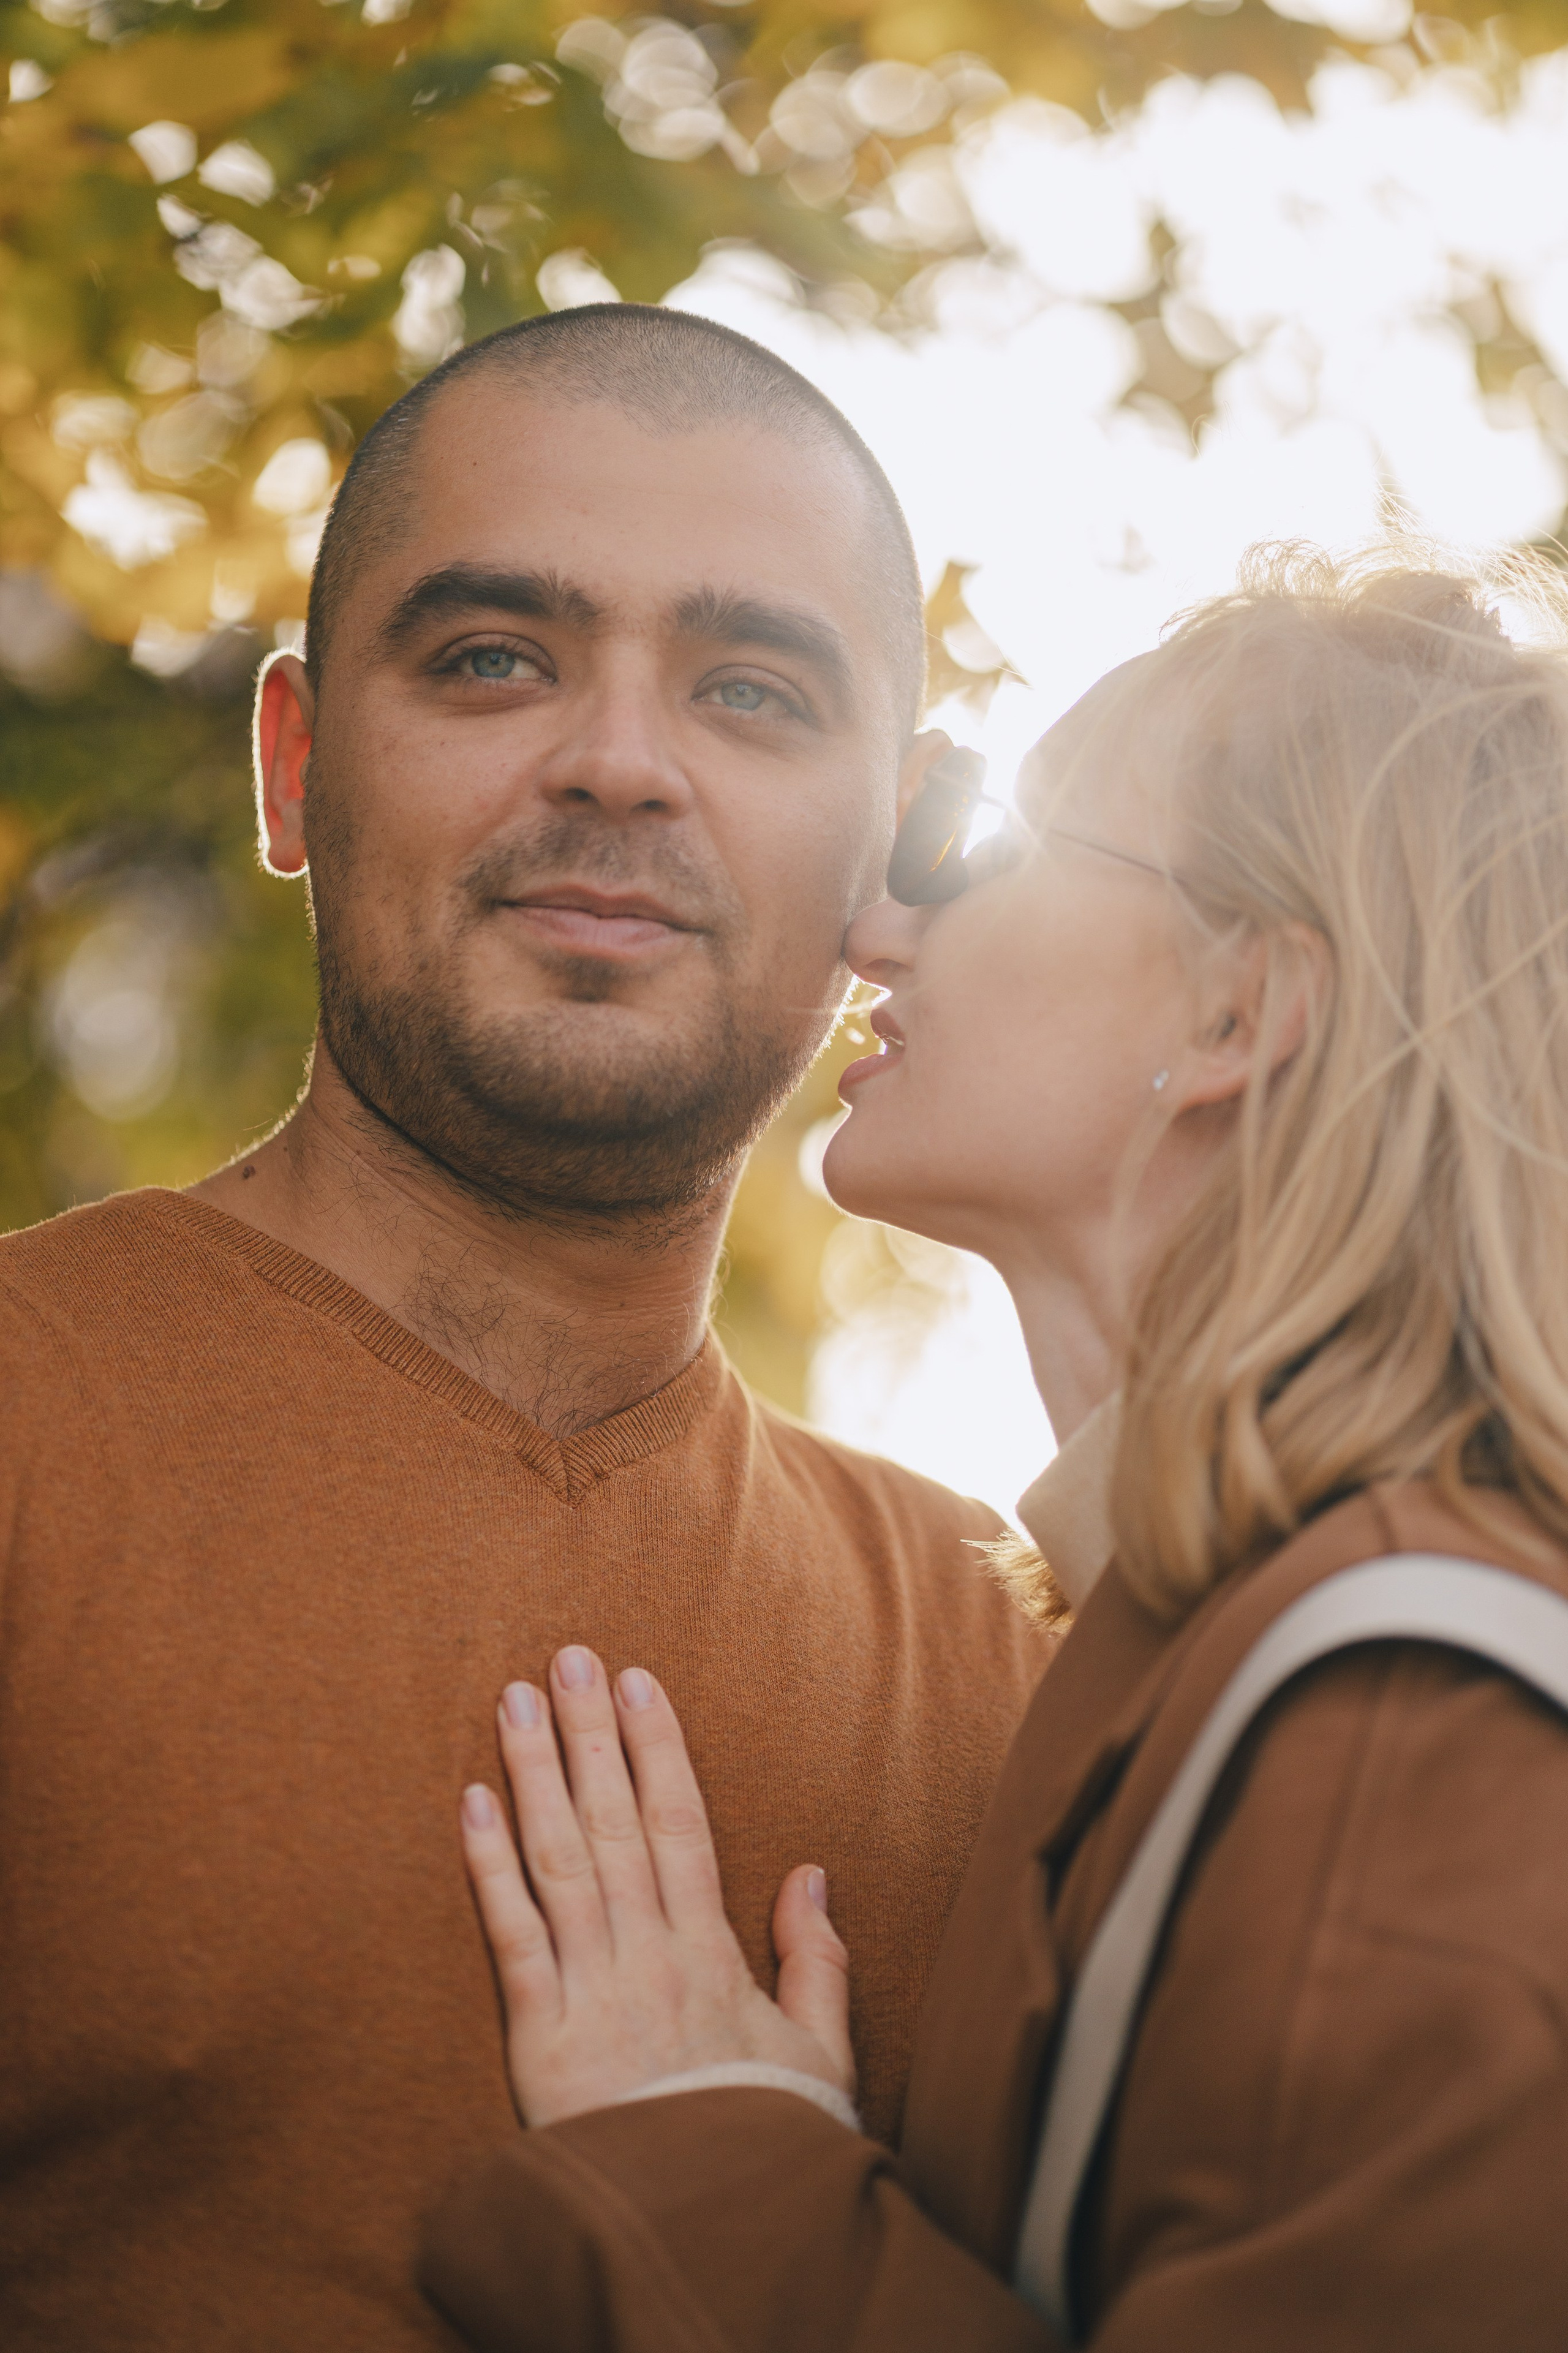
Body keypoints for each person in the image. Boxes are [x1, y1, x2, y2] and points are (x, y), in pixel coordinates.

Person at [0, 308, 1052, 2350]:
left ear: (896, 844)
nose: (621, 760)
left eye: (750, 690)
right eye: (494, 658)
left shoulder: (1032, 1658)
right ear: (297, 765)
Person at [417, 548, 1568, 2352]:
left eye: (988, 842)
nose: (876, 925)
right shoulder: (1193, 1647)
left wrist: (720, 2170)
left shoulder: (1402, 1720)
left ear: (1236, 1014)